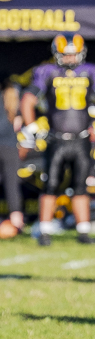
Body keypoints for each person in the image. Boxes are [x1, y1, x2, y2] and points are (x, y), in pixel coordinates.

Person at [20, 34, 95, 246]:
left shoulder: (90, 71)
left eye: (73, 54)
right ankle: (44, 230)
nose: (70, 59)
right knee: (50, 184)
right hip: (56, 139)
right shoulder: (47, 71)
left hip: (81, 139)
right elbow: (28, 100)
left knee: (81, 185)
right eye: (66, 54)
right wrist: (32, 126)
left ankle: (84, 231)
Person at [0, 81, 23, 238]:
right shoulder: (13, 99)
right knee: (12, 186)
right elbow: (17, 125)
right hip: (9, 147)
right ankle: (17, 223)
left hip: (5, 145)